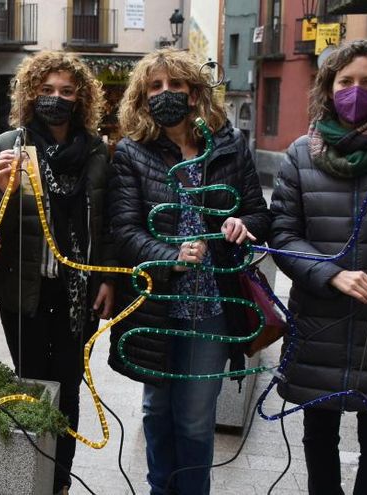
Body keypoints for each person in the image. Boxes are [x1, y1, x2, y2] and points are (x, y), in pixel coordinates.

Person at [107, 48, 271, 495]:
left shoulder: (230, 145)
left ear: (195, 92)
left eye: (175, 84)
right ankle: (161, 489)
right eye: (155, 86)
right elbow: (123, 231)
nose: (166, 94)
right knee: (156, 411)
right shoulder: (131, 153)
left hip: (212, 307)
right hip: (156, 305)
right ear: (142, 96)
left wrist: (243, 224)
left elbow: (259, 213)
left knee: (197, 418)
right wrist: (169, 255)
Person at [269, 39, 367, 495]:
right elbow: (284, 235)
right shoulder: (299, 154)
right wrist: (332, 273)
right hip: (319, 322)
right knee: (319, 436)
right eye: (345, 81)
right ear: (328, 89)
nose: (356, 90)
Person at [0, 51, 117, 495]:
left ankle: (58, 482)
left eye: (66, 91)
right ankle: (28, 474)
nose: (56, 99)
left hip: (79, 293)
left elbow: (110, 222)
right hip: (24, 290)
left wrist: (108, 279)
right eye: (46, 91)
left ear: (81, 99)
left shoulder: (97, 151)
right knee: (29, 385)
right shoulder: (9, 146)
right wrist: (2, 191)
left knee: (69, 388)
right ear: (30, 94)